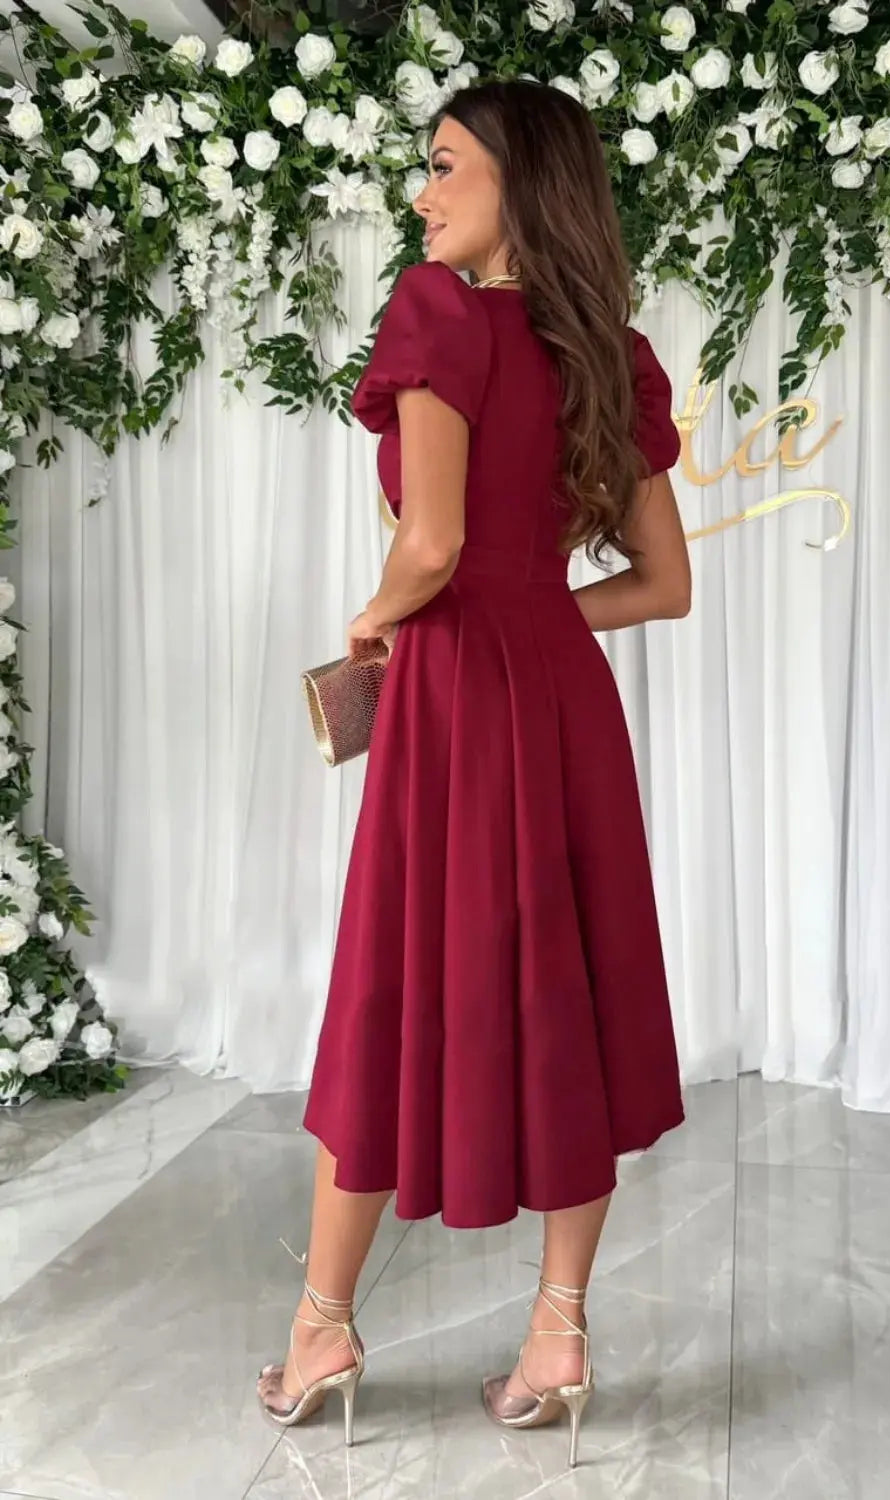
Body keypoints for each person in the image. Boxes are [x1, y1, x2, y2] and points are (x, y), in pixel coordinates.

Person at [256, 78, 691, 1468]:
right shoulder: (611, 352)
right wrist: (537, 611)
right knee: (572, 991)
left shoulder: (436, 313)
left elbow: (432, 542)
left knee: (387, 988)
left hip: (452, 704)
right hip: (559, 703)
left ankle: (324, 1327)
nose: (423, 192)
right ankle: (559, 1332)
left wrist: (377, 618)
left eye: (447, 166)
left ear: (519, 184)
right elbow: (663, 585)